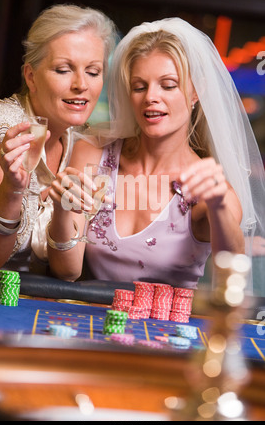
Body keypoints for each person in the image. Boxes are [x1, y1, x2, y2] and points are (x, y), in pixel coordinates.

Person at [47, 17, 265, 294]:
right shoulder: (92, 154)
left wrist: (218, 205)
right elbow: (66, 271)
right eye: (140, 86)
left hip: (168, 331)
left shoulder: (209, 189)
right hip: (92, 323)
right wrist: (62, 210)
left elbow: (230, 269)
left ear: (195, 91)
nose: (151, 96)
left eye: (168, 85)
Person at [0, 4, 117, 277]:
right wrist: (12, 190)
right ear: (31, 77)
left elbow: (68, 271)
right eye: (63, 69)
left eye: (93, 72)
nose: (81, 84)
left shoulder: (77, 139)